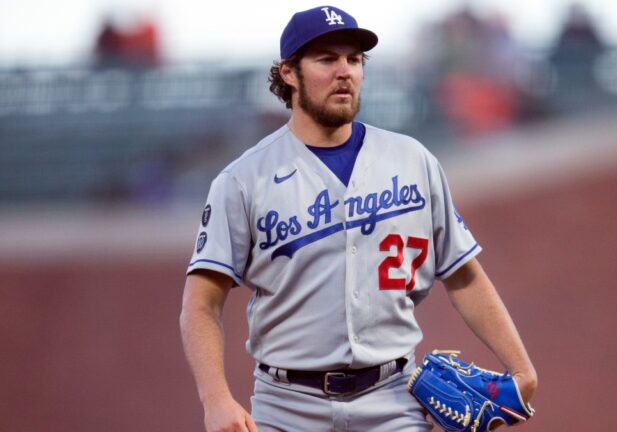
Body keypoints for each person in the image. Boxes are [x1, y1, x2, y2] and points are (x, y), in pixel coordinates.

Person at [179, 5, 537, 431]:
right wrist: (215, 398)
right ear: (289, 73)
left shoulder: (412, 160)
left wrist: (522, 369)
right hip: (286, 408)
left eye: (354, 59)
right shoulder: (242, 179)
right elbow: (201, 304)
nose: (344, 70)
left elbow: (463, 275)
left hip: (393, 401)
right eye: (327, 59)